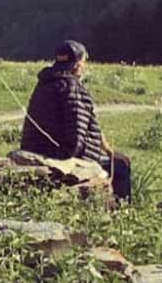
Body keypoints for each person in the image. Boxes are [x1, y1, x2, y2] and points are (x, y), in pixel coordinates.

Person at [20, 40, 132, 201]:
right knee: (121, 166)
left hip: (33, 148)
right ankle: (122, 213)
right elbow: (76, 137)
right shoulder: (72, 87)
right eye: (84, 61)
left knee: (115, 160)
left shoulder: (45, 83)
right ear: (77, 65)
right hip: (57, 154)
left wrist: (107, 149)